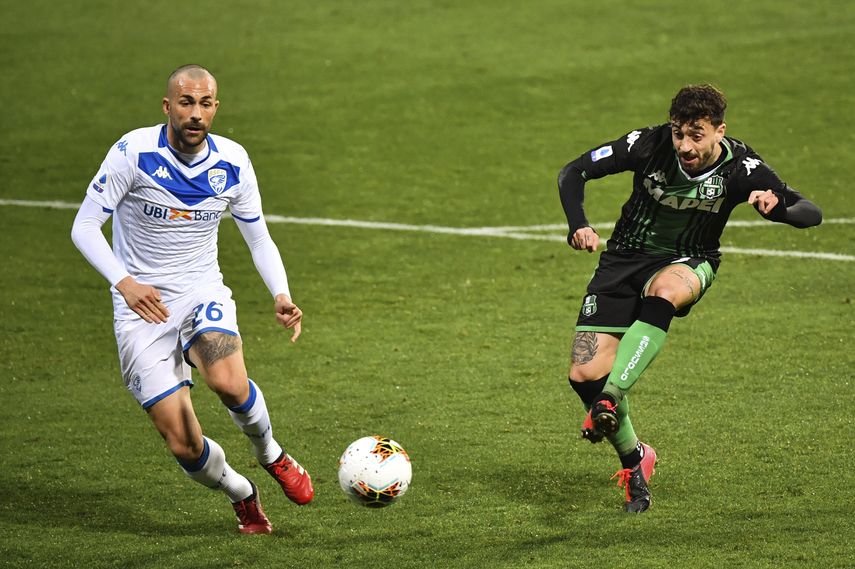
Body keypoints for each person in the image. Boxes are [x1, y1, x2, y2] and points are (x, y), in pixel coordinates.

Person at [71, 64, 314, 534]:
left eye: (205, 104)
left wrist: (281, 293)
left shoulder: (233, 162)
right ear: (168, 107)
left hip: (201, 291)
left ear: (215, 108)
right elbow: (83, 226)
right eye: (186, 103)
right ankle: (242, 493)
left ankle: (272, 454)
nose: (196, 113)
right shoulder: (132, 153)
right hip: (140, 308)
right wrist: (125, 282)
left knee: (227, 381)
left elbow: (258, 237)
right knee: (184, 445)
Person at [557, 84, 822, 513]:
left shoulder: (743, 168)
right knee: (585, 375)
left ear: (720, 130)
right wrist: (578, 224)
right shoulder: (647, 144)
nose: (684, 144)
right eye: (679, 132)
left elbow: (812, 212)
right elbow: (573, 172)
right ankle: (636, 459)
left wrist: (778, 210)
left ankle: (612, 397)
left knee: (665, 293)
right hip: (623, 260)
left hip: (690, 260)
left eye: (696, 135)